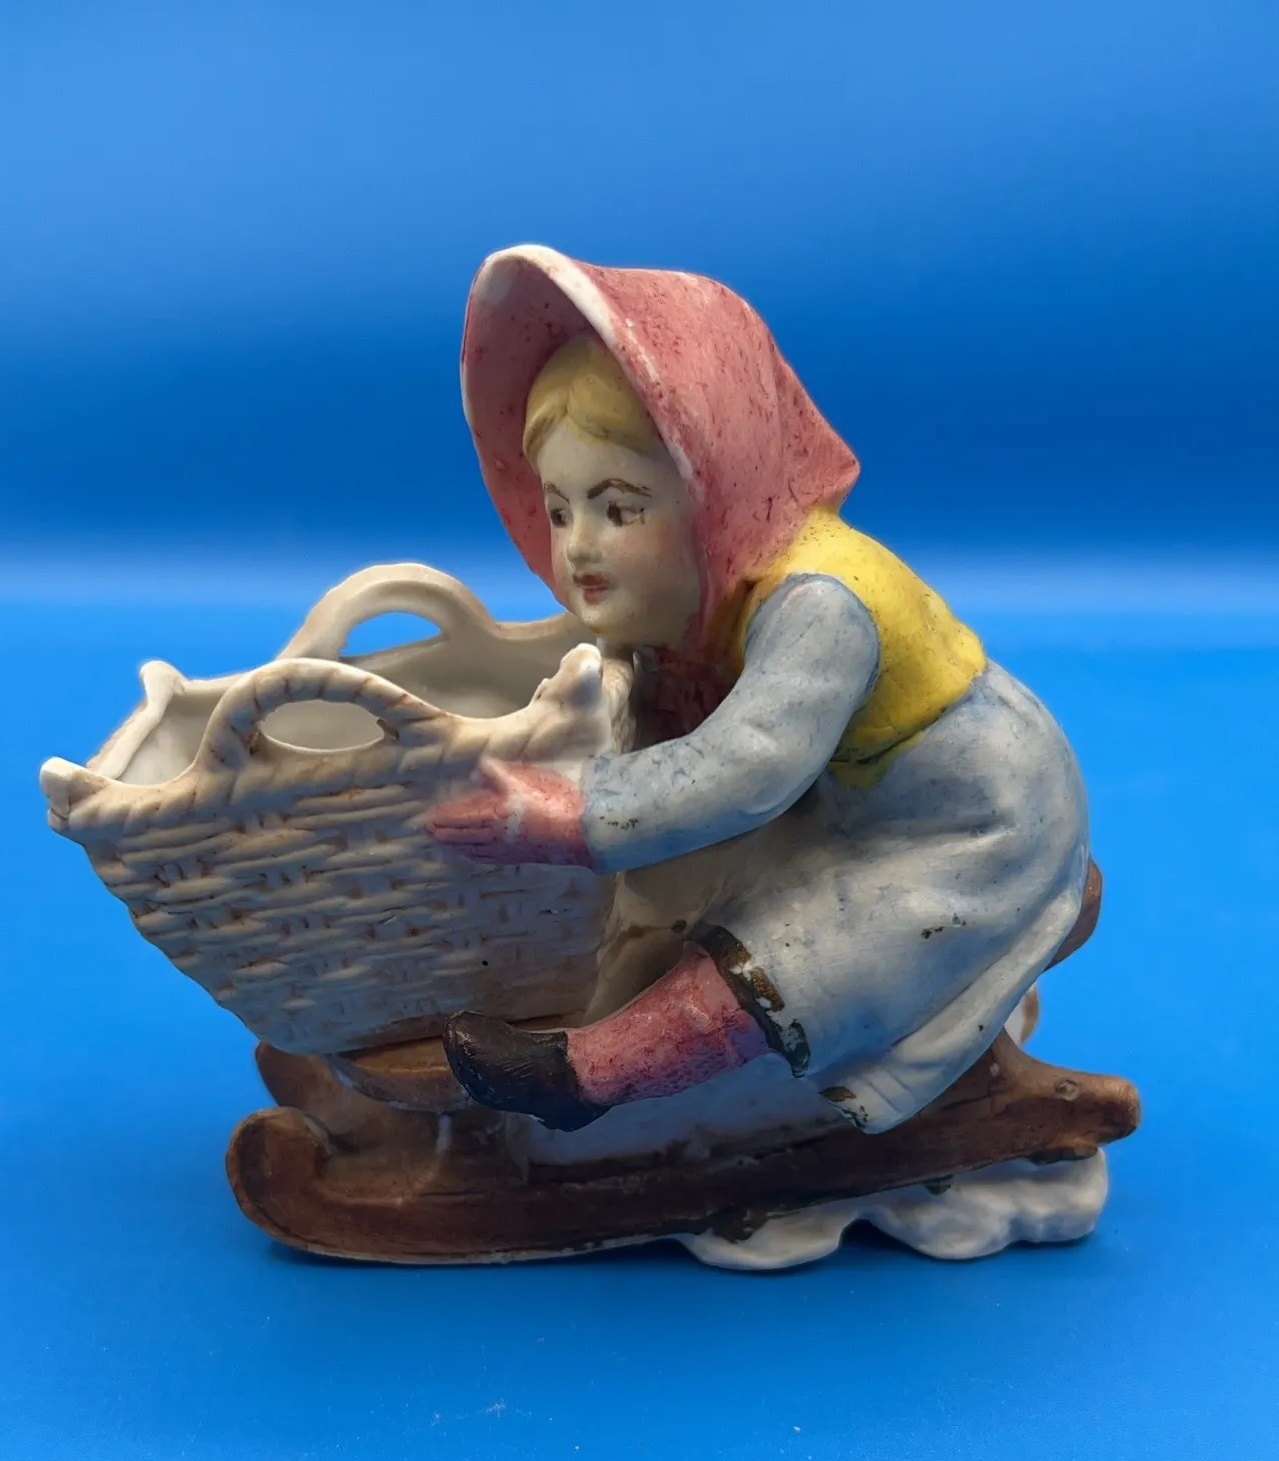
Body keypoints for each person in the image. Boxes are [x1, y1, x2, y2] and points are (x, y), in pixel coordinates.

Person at [428, 244, 1088, 1134]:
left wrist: (574, 813)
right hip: (860, 797)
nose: (578, 544)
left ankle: (583, 1079)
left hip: (975, 824)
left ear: (717, 492)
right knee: (714, 893)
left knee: (792, 955)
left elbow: (750, 766)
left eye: (619, 508)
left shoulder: (819, 601)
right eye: (558, 509)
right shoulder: (718, 604)